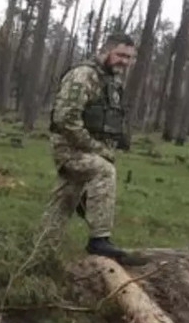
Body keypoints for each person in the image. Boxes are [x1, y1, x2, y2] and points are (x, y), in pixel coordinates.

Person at [39, 31, 137, 261]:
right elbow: (66, 119)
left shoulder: (111, 81)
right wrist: (97, 149)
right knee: (104, 171)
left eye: (129, 57)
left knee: (63, 201)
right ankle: (99, 240)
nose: (124, 61)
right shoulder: (83, 76)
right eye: (120, 55)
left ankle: (40, 253)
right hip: (70, 148)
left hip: (86, 149)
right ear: (106, 50)